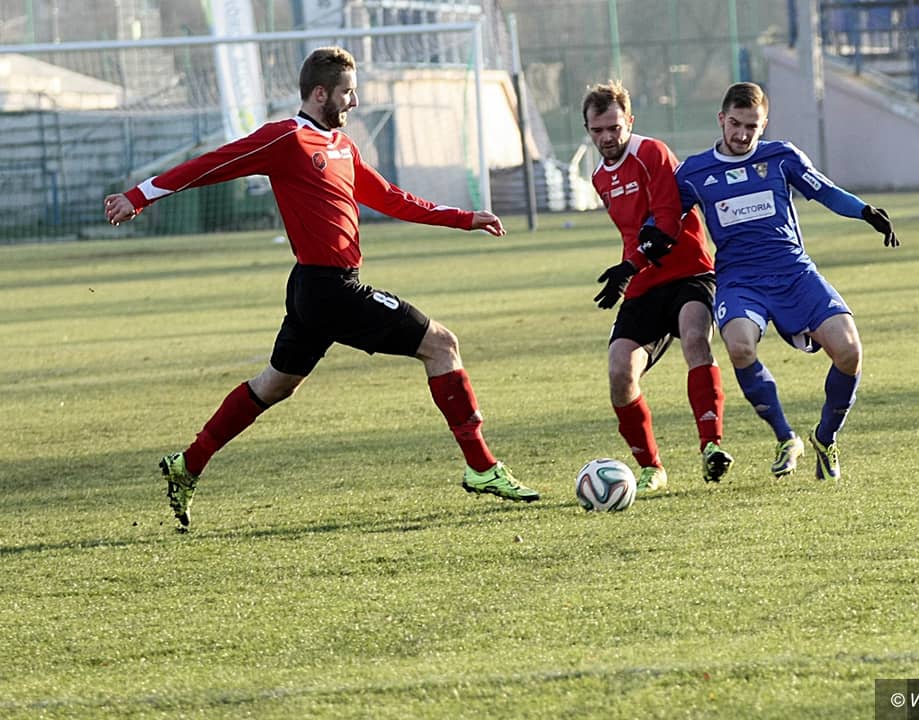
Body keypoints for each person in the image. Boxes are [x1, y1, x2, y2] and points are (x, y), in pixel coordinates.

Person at [103, 46, 539, 529]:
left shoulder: (343, 147)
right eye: (347, 92)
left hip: (316, 291)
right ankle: (482, 467)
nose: (355, 101)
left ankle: (188, 464)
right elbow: (212, 163)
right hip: (330, 290)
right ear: (319, 93)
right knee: (442, 345)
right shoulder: (286, 138)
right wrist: (138, 196)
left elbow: (391, 198)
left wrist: (463, 218)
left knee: (274, 385)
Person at [674, 82, 899, 481]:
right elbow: (664, 218)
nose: (742, 134)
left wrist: (865, 212)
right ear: (721, 119)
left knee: (849, 351)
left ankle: (825, 438)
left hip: (794, 273)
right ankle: (785, 437)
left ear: (764, 124)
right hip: (740, 280)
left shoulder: (781, 157)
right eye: (736, 123)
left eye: (752, 126)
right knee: (739, 345)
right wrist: (641, 250)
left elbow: (825, 191)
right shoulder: (694, 172)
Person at [582, 80, 733, 493]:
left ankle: (711, 446)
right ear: (588, 129)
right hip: (644, 281)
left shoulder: (652, 153)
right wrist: (627, 274)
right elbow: (632, 232)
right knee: (620, 372)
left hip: (690, 272)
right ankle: (652, 467)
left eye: (614, 128)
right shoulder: (598, 177)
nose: (607, 137)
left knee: (695, 338)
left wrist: (627, 267)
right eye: (598, 130)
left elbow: (667, 221)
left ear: (630, 121)